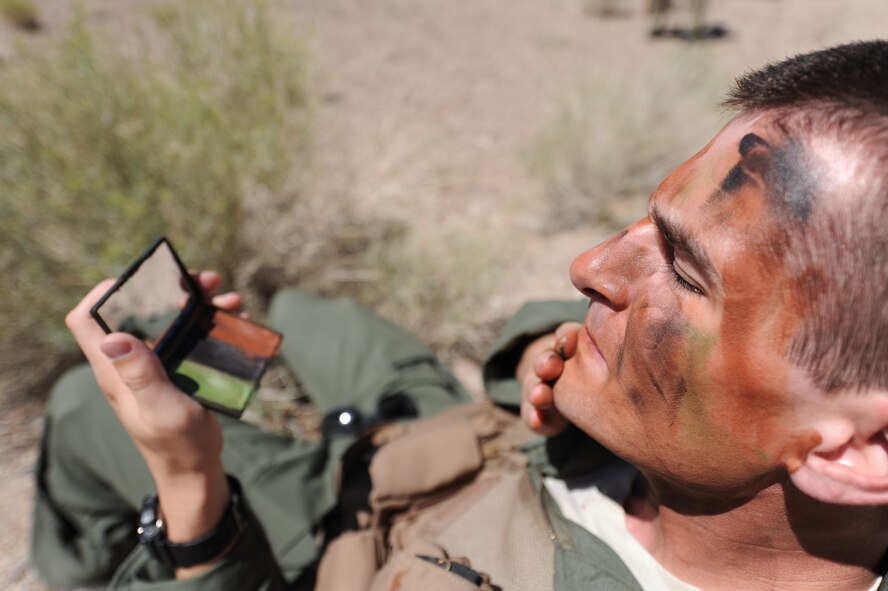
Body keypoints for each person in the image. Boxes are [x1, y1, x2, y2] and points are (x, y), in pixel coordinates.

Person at [31, 40, 888, 590]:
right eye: (645, 226)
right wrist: (545, 358)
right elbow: (567, 317)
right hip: (460, 436)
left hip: (338, 543)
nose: (588, 266)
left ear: (860, 450)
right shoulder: (734, 431)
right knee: (297, 311)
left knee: (84, 404)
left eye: (686, 271)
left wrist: (192, 497)